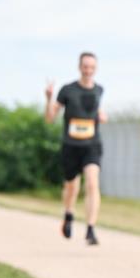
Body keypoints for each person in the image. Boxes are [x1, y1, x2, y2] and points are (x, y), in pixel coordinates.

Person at [44, 51, 107, 245]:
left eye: (92, 67)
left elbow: (97, 110)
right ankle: (69, 214)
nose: (88, 70)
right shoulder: (67, 90)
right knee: (71, 186)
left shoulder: (99, 90)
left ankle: (90, 229)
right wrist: (48, 98)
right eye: (85, 67)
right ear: (79, 67)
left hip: (92, 145)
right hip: (71, 146)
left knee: (92, 183)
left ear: (95, 69)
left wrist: (102, 116)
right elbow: (49, 118)